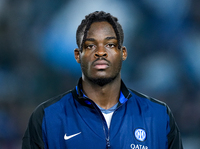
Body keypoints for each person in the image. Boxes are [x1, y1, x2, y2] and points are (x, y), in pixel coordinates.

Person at [22, 11, 183, 149]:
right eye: (90, 46)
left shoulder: (159, 116)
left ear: (123, 53)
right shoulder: (46, 117)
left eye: (110, 45)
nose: (101, 52)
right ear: (78, 55)